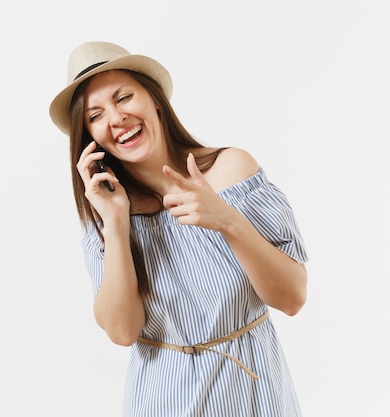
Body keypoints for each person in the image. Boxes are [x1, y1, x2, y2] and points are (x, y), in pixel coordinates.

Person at [48, 41, 309, 417]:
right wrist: (118, 224)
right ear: (89, 137)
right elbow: (123, 332)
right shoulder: (105, 214)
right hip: (161, 399)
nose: (116, 118)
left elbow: (292, 297)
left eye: (124, 97)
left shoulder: (231, 170)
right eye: (95, 115)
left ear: (154, 99)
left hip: (252, 390)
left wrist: (227, 221)